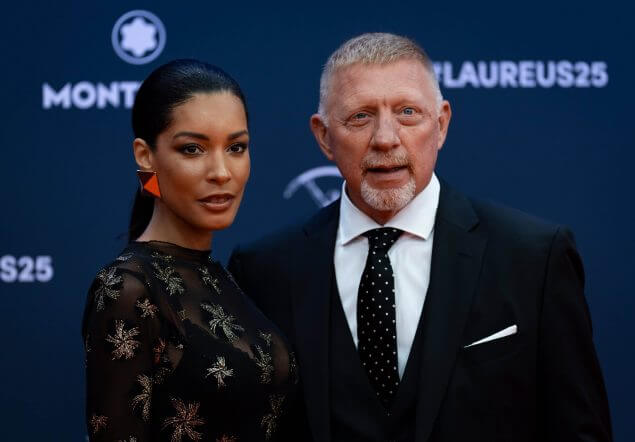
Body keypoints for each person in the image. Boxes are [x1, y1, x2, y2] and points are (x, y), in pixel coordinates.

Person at [228, 33, 612, 441]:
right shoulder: (263, 271)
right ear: (324, 136)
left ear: (441, 124)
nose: (385, 138)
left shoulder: (533, 258)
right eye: (360, 116)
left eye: (408, 112)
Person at [82, 59, 297, 441]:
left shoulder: (225, 277)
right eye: (193, 149)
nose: (221, 172)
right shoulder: (127, 288)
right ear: (145, 156)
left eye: (236, 147)